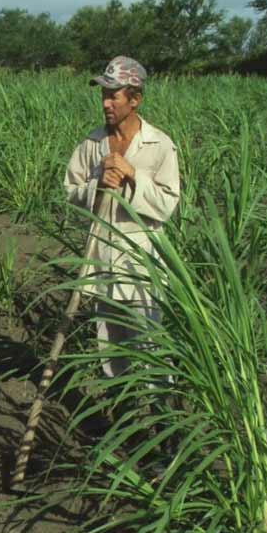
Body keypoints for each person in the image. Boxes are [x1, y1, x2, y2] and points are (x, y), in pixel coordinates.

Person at [63, 56, 180, 378]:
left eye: (113, 95)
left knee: (150, 349)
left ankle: (160, 417)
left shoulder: (159, 146)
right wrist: (96, 186)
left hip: (140, 265)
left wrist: (133, 177)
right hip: (101, 262)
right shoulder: (92, 143)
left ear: (135, 98)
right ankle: (120, 416)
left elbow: (168, 205)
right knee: (110, 353)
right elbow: (70, 192)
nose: (106, 102)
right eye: (103, 94)